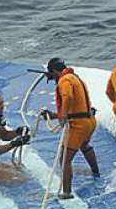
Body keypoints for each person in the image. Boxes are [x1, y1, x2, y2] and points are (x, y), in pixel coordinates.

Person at [41, 58, 100, 199]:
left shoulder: (64, 80)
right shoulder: (75, 78)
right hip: (90, 121)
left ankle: (66, 193)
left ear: (54, 71)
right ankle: (96, 172)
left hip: (79, 126)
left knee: (64, 159)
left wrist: (62, 116)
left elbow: (68, 97)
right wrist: (54, 115)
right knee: (85, 146)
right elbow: (77, 108)